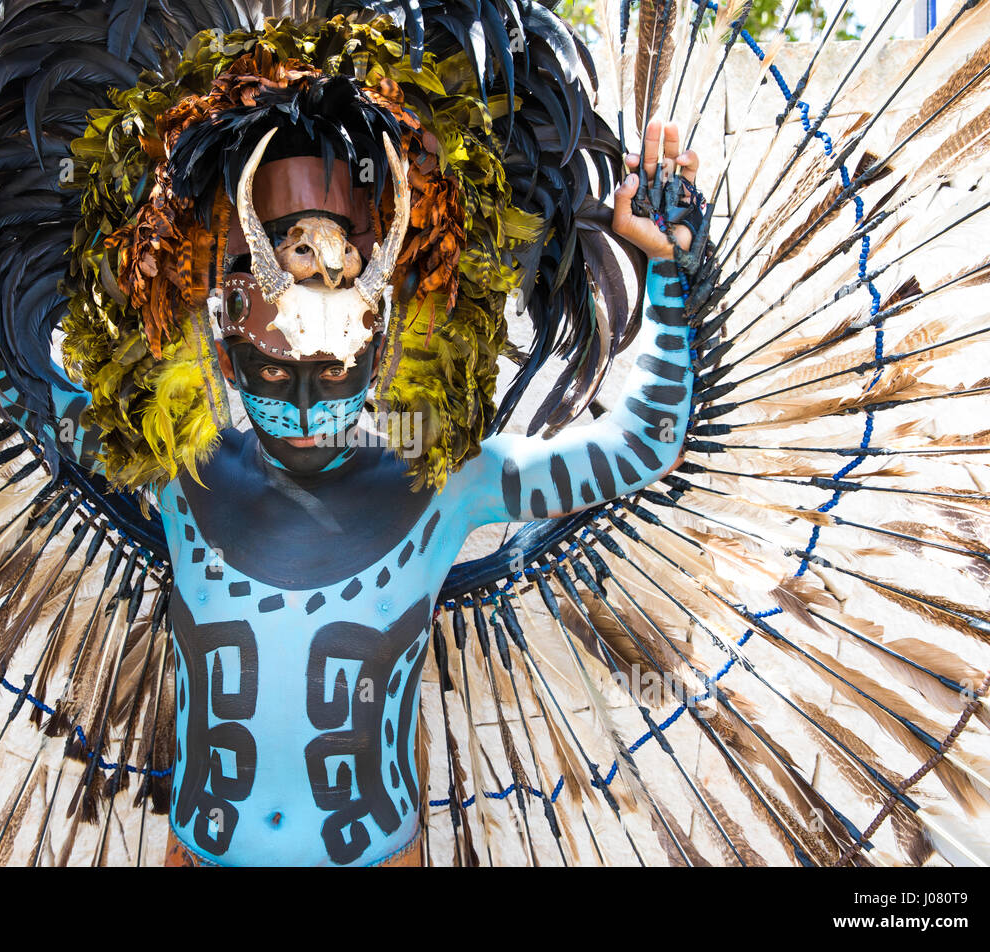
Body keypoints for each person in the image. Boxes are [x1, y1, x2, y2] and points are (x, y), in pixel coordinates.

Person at [158, 118, 701, 866]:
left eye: (337, 372)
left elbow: (640, 447)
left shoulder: (442, 484)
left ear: (377, 356)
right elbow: (26, 399)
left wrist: (668, 274)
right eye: (278, 375)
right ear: (229, 357)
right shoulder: (178, 470)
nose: (311, 412)